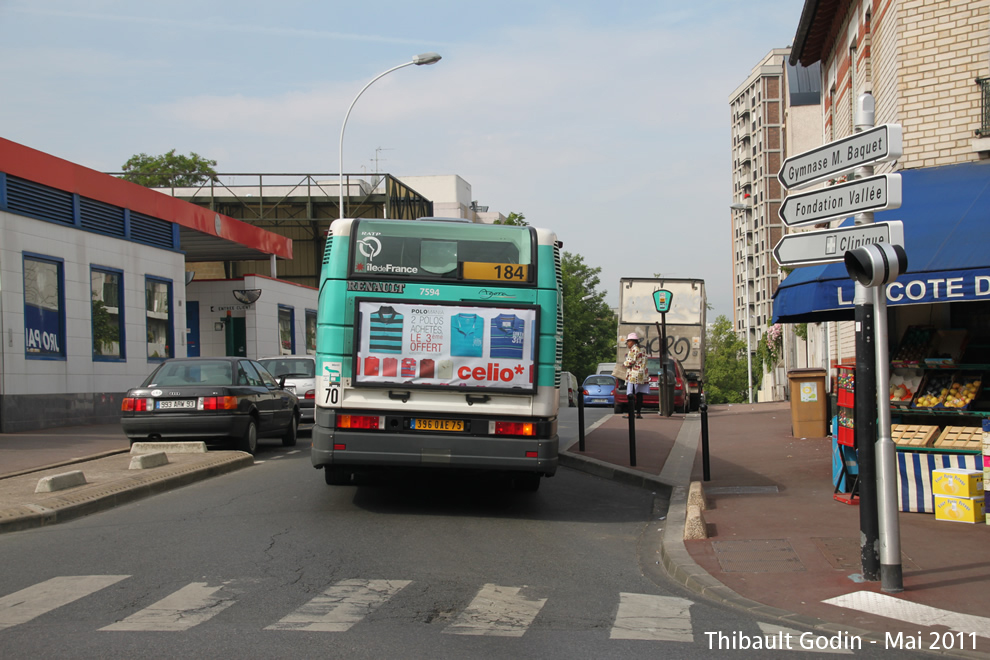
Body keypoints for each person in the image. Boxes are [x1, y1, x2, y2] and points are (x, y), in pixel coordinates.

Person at [622, 332, 649, 418]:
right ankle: (638, 413)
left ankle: (631, 413)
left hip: (634, 375)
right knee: (639, 395)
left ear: (633, 341)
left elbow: (631, 361)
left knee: (631, 395)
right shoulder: (643, 349)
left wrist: (625, 363)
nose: (627, 344)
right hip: (642, 375)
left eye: (628, 341)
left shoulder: (633, 349)